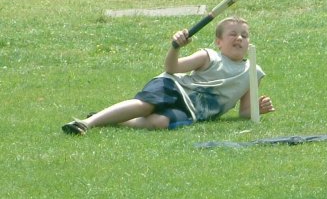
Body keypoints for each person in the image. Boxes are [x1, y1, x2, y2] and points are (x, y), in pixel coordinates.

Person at [62, 16, 275, 135]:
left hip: (194, 112)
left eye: (244, 35)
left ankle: (104, 119)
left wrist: (259, 108)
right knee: (145, 106)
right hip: (174, 86)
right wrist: (175, 47)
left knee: (160, 122)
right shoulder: (208, 56)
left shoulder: (253, 71)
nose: (239, 38)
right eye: (233, 34)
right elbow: (172, 68)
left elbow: (245, 112)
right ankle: (85, 124)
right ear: (218, 42)